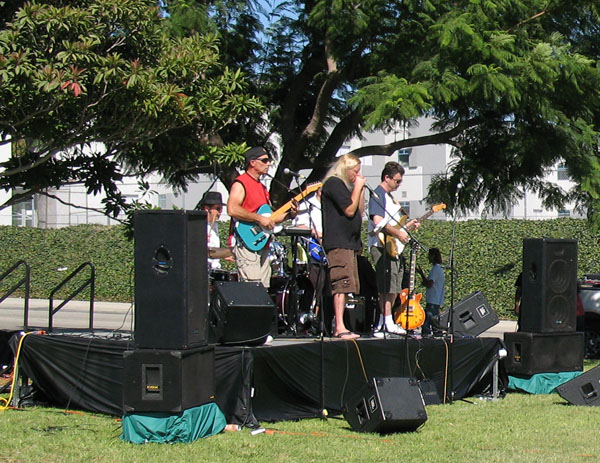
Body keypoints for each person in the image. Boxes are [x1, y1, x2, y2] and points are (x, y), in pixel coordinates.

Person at [227, 146, 296, 288]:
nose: (268, 164)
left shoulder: (263, 188)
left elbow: (269, 218)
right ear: (252, 162)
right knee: (252, 288)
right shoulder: (241, 183)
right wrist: (258, 218)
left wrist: (290, 214)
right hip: (246, 242)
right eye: (264, 161)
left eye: (269, 160)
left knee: (263, 288)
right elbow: (232, 209)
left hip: (263, 243)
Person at [368, 161, 419, 336]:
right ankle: (387, 323)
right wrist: (398, 233)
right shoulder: (378, 194)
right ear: (386, 177)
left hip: (393, 248)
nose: (399, 185)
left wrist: (408, 226)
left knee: (394, 288)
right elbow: (378, 222)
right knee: (386, 287)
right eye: (397, 181)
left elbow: (396, 225)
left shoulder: (390, 197)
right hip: (382, 246)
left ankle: (385, 322)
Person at [321, 154, 365, 339]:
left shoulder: (347, 189)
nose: (358, 175)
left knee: (349, 285)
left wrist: (360, 191)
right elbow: (348, 210)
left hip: (349, 242)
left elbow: (358, 211)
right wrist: (357, 187)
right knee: (341, 283)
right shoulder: (333, 183)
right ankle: (339, 326)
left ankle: (342, 324)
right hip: (338, 242)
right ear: (346, 169)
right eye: (355, 171)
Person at [417, 247, 445, 336]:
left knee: (428, 319)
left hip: (433, 299)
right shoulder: (439, 269)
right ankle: (437, 334)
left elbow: (429, 284)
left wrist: (421, 274)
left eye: (429, 255)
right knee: (434, 320)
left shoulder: (435, 269)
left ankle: (427, 334)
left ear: (433, 256)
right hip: (436, 299)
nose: (428, 258)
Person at [198, 191, 226, 270]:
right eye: (218, 208)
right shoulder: (199, 226)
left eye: (221, 209)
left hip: (216, 268)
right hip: (204, 269)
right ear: (207, 209)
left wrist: (224, 255)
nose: (220, 212)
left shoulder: (215, 225)